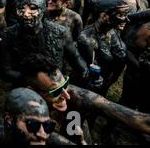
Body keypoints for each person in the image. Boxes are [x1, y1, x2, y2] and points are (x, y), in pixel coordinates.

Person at [20, 53, 150, 143]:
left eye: (65, 84)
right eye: (56, 91)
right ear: (31, 91)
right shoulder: (24, 111)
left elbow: (142, 121)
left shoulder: (76, 96)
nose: (66, 95)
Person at [0, 0, 88, 86]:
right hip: (25, 89)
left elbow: (75, 58)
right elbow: (5, 71)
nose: (26, 14)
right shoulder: (8, 35)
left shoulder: (60, 32)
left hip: (56, 86)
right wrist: (34, 81)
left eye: (32, 8)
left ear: (41, 9)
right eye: (21, 9)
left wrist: (86, 71)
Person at [0, 88, 71, 145]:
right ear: (9, 120)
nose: (43, 134)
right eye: (32, 124)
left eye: (48, 125)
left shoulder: (42, 134)